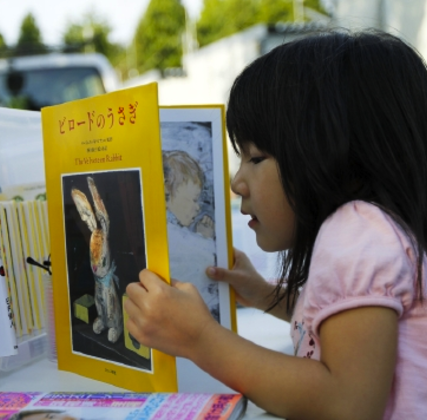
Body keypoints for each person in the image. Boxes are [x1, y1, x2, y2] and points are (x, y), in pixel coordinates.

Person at [124, 29, 427, 419]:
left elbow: (347, 403)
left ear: (327, 154)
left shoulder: (356, 232)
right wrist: (264, 294)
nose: (236, 182)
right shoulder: (373, 231)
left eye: (255, 158)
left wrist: (198, 338)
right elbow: (340, 330)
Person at [163, 150, 219, 320]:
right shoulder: (174, 235)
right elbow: (204, 268)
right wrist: (204, 239)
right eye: (194, 199)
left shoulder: (173, 229)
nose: (198, 208)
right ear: (166, 196)